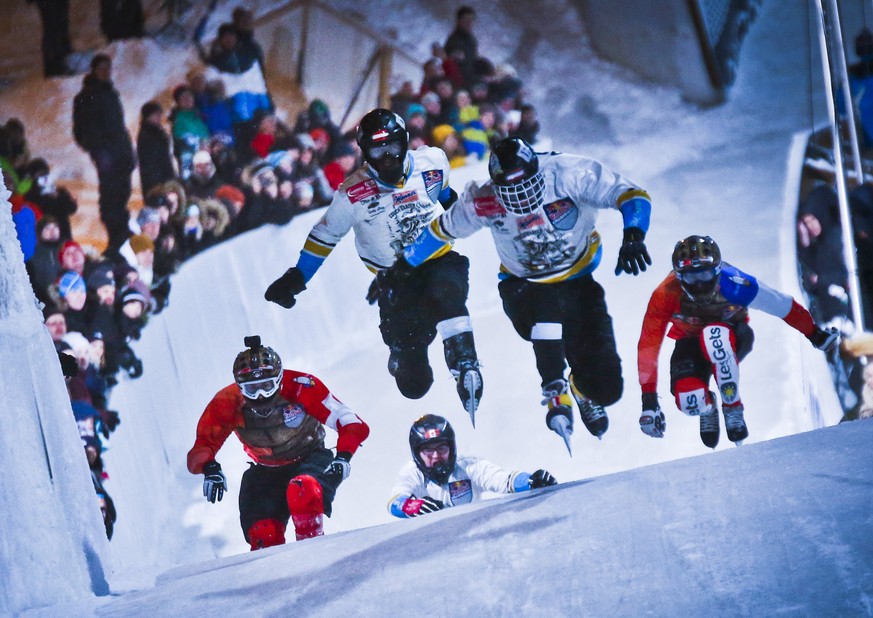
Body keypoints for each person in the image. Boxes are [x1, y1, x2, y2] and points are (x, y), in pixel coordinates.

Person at [394, 137, 652, 452]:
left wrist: (635, 235)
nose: (520, 197)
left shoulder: (569, 172)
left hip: (577, 280)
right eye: (510, 190)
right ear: (496, 186)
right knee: (546, 305)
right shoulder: (482, 199)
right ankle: (554, 385)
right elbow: (441, 230)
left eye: (526, 186)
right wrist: (401, 267)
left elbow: (630, 194)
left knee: (608, 388)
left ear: (538, 171)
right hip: (523, 285)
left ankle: (580, 387)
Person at [264, 108, 484, 423]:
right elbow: (325, 235)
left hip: (437, 260)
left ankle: (465, 362)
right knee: (414, 383)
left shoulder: (432, 163)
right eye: (378, 151)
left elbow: (447, 196)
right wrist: (297, 276)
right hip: (395, 280)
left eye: (392, 147)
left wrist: (468, 216)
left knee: (446, 291)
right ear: (365, 153)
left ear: (405, 143)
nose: (387, 157)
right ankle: (403, 354)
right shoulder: (352, 192)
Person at [636, 235, 840, 448]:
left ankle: (732, 406)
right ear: (679, 277)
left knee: (713, 335)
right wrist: (649, 401)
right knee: (689, 401)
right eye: (691, 278)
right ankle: (707, 406)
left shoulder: (735, 282)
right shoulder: (664, 294)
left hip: (733, 335)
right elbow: (648, 344)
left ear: (717, 271)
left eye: (705, 274)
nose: (699, 283)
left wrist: (815, 334)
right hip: (689, 344)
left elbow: (781, 305)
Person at [187, 336, 369, 549]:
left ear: (280, 379)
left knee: (303, 490)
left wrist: (343, 457)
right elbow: (202, 446)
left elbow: (350, 422)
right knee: (263, 534)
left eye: (266, 385)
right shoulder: (227, 402)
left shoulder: (302, 387)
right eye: (252, 389)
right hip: (265, 471)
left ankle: (314, 547)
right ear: (239, 387)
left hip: (311, 459)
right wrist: (210, 468)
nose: (261, 395)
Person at [388, 414, 557, 518]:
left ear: (452, 448)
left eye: (442, 448)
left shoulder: (469, 466)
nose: (436, 456)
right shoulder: (412, 472)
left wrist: (530, 481)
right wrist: (412, 506)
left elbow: (502, 480)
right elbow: (394, 502)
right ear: (417, 454)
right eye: (428, 451)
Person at [72, 54, 136, 253]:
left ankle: (123, 234)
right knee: (110, 196)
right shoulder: (86, 96)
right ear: (93, 70)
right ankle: (116, 237)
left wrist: (128, 150)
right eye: (101, 67)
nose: (105, 71)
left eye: (108, 67)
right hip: (106, 154)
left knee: (122, 194)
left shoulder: (111, 93)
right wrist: (97, 151)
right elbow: (81, 129)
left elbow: (119, 125)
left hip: (120, 151)